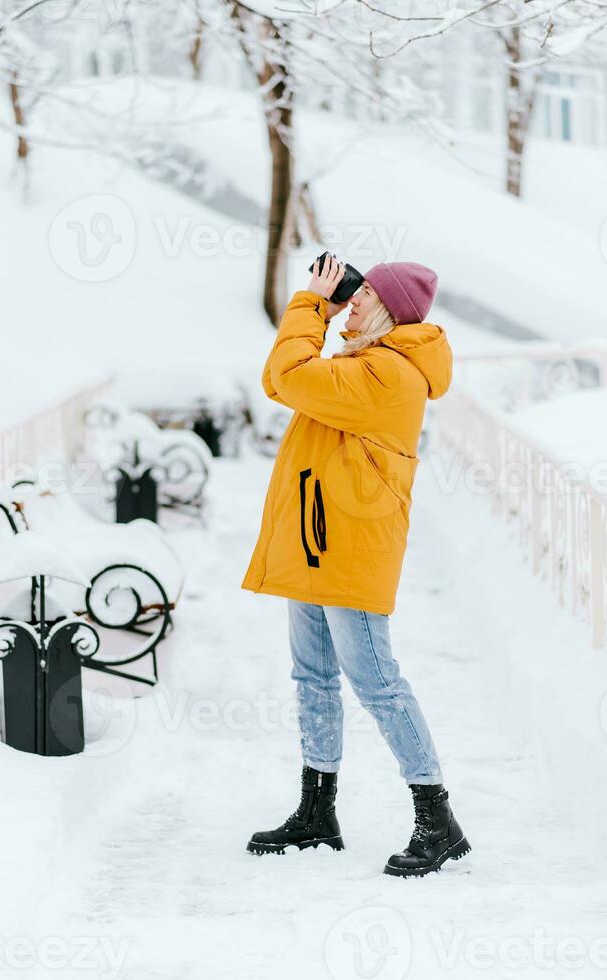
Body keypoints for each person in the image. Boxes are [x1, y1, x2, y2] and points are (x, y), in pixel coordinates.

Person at [240, 254, 470, 877]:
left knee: (377, 682)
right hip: (319, 542)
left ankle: (437, 817)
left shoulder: (387, 374)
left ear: (391, 309)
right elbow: (291, 378)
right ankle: (318, 811)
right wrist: (327, 313)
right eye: (354, 290)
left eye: (365, 293)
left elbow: (283, 375)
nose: (354, 300)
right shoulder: (362, 362)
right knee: (312, 677)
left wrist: (312, 305)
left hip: (349, 550)